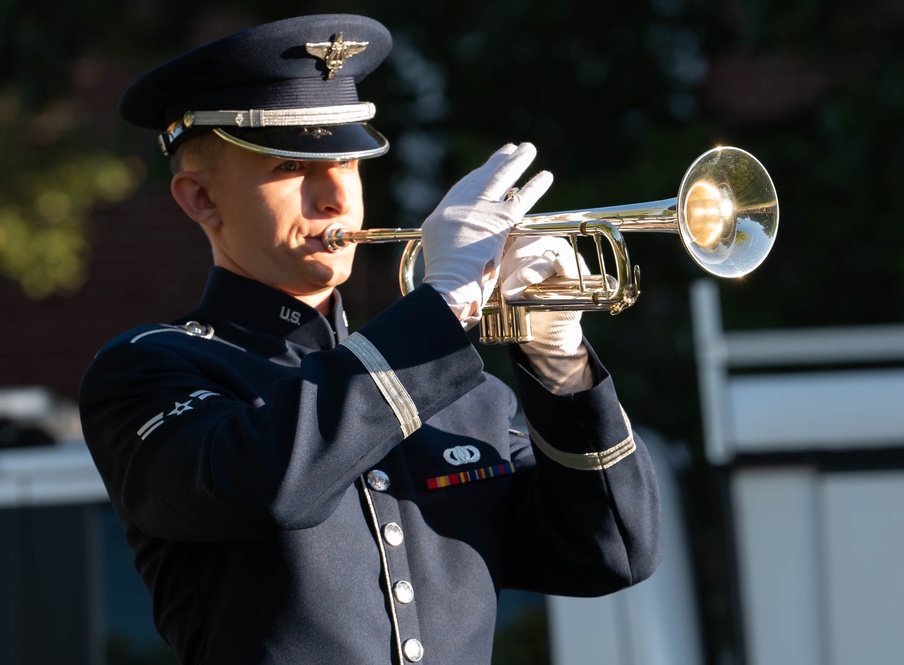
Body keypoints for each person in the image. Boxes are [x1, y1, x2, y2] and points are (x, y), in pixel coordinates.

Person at [79, 14, 663, 665]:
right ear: (200, 200)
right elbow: (268, 484)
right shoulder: (150, 369)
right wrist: (442, 304)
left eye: (348, 162)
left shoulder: (463, 394)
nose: (335, 196)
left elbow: (611, 548)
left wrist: (559, 358)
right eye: (292, 166)